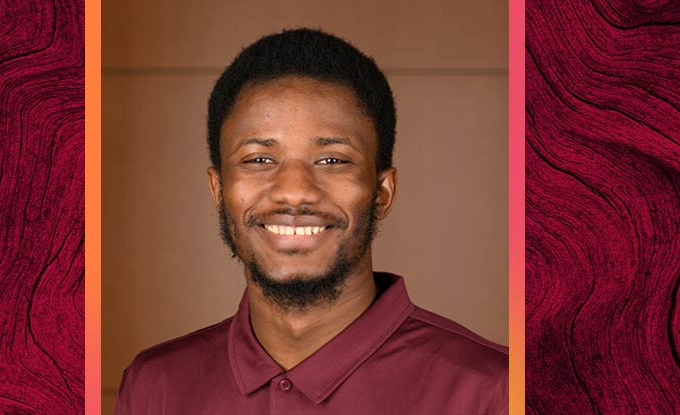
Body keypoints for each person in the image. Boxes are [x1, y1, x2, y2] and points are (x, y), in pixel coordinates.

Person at [114, 28, 508, 414]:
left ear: (382, 192)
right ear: (219, 191)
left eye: (332, 160)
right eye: (259, 160)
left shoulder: (497, 392)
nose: (295, 191)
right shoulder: (155, 386)